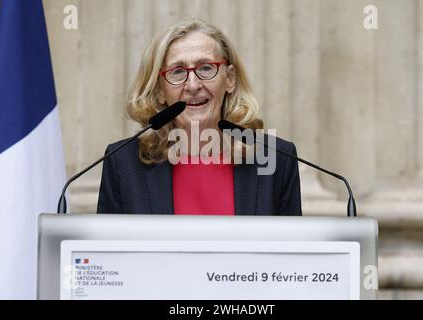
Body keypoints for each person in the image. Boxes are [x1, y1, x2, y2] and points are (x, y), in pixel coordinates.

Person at [97, 19, 302, 215]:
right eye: (177, 72)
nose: (193, 85)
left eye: (206, 68)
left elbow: (291, 249)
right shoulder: (123, 164)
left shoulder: (276, 159)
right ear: (160, 90)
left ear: (229, 79)